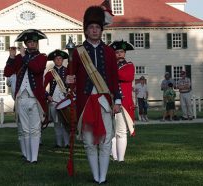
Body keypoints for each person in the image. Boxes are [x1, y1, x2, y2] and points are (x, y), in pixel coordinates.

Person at [66, 6, 121, 184]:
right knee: (89, 142)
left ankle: (102, 177)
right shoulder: (77, 52)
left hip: (105, 101)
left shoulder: (109, 52)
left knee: (106, 140)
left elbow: (114, 78)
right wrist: (69, 79)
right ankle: (95, 175)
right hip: (85, 102)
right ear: (86, 30)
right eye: (91, 27)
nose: (95, 30)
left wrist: (118, 100)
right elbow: (70, 79)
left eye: (97, 27)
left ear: (101, 30)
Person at [4, 29, 48, 164]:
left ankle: (34, 158)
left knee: (35, 129)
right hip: (21, 98)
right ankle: (28, 157)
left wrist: (23, 56)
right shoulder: (19, 58)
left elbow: (36, 69)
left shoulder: (42, 57)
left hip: (35, 99)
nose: (32, 44)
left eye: (34, 42)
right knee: (25, 129)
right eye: (29, 42)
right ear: (25, 43)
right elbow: (7, 72)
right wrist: (11, 57)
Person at [109, 40, 135, 162]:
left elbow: (127, 76)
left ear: (124, 53)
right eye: (116, 52)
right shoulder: (110, 66)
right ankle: (114, 157)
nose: (119, 54)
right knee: (111, 132)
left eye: (121, 52)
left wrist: (111, 72)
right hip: (109, 101)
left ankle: (121, 159)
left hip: (123, 103)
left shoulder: (129, 65)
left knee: (121, 131)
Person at [44, 49, 70, 148]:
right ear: (54, 61)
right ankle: (59, 143)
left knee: (66, 123)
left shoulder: (67, 71)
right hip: (54, 101)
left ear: (63, 60)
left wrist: (70, 92)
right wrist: (47, 96)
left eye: (60, 58)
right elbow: (42, 87)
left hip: (65, 100)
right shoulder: (50, 73)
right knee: (57, 123)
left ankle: (67, 143)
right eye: (56, 59)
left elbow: (74, 85)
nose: (58, 60)